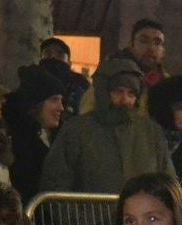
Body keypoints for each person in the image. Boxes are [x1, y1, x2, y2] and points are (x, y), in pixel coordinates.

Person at [41, 58, 170, 195]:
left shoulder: (151, 132)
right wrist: (78, 215)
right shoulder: (76, 131)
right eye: (118, 92)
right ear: (103, 92)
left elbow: (167, 181)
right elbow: (55, 183)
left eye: (131, 93)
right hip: (90, 215)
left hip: (141, 215)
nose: (125, 100)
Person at [6, 64, 67, 205]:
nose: (61, 107)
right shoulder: (21, 143)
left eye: (61, 100)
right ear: (36, 104)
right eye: (54, 100)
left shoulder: (59, 137)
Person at [79, 19, 168, 114]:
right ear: (131, 45)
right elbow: (87, 114)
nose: (151, 47)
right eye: (144, 41)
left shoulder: (168, 84)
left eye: (157, 43)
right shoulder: (109, 77)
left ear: (163, 51)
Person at [38, 37, 89, 116]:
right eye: (48, 53)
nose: (53, 57)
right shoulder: (32, 82)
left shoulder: (79, 84)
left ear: (69, 63)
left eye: (60, 54)